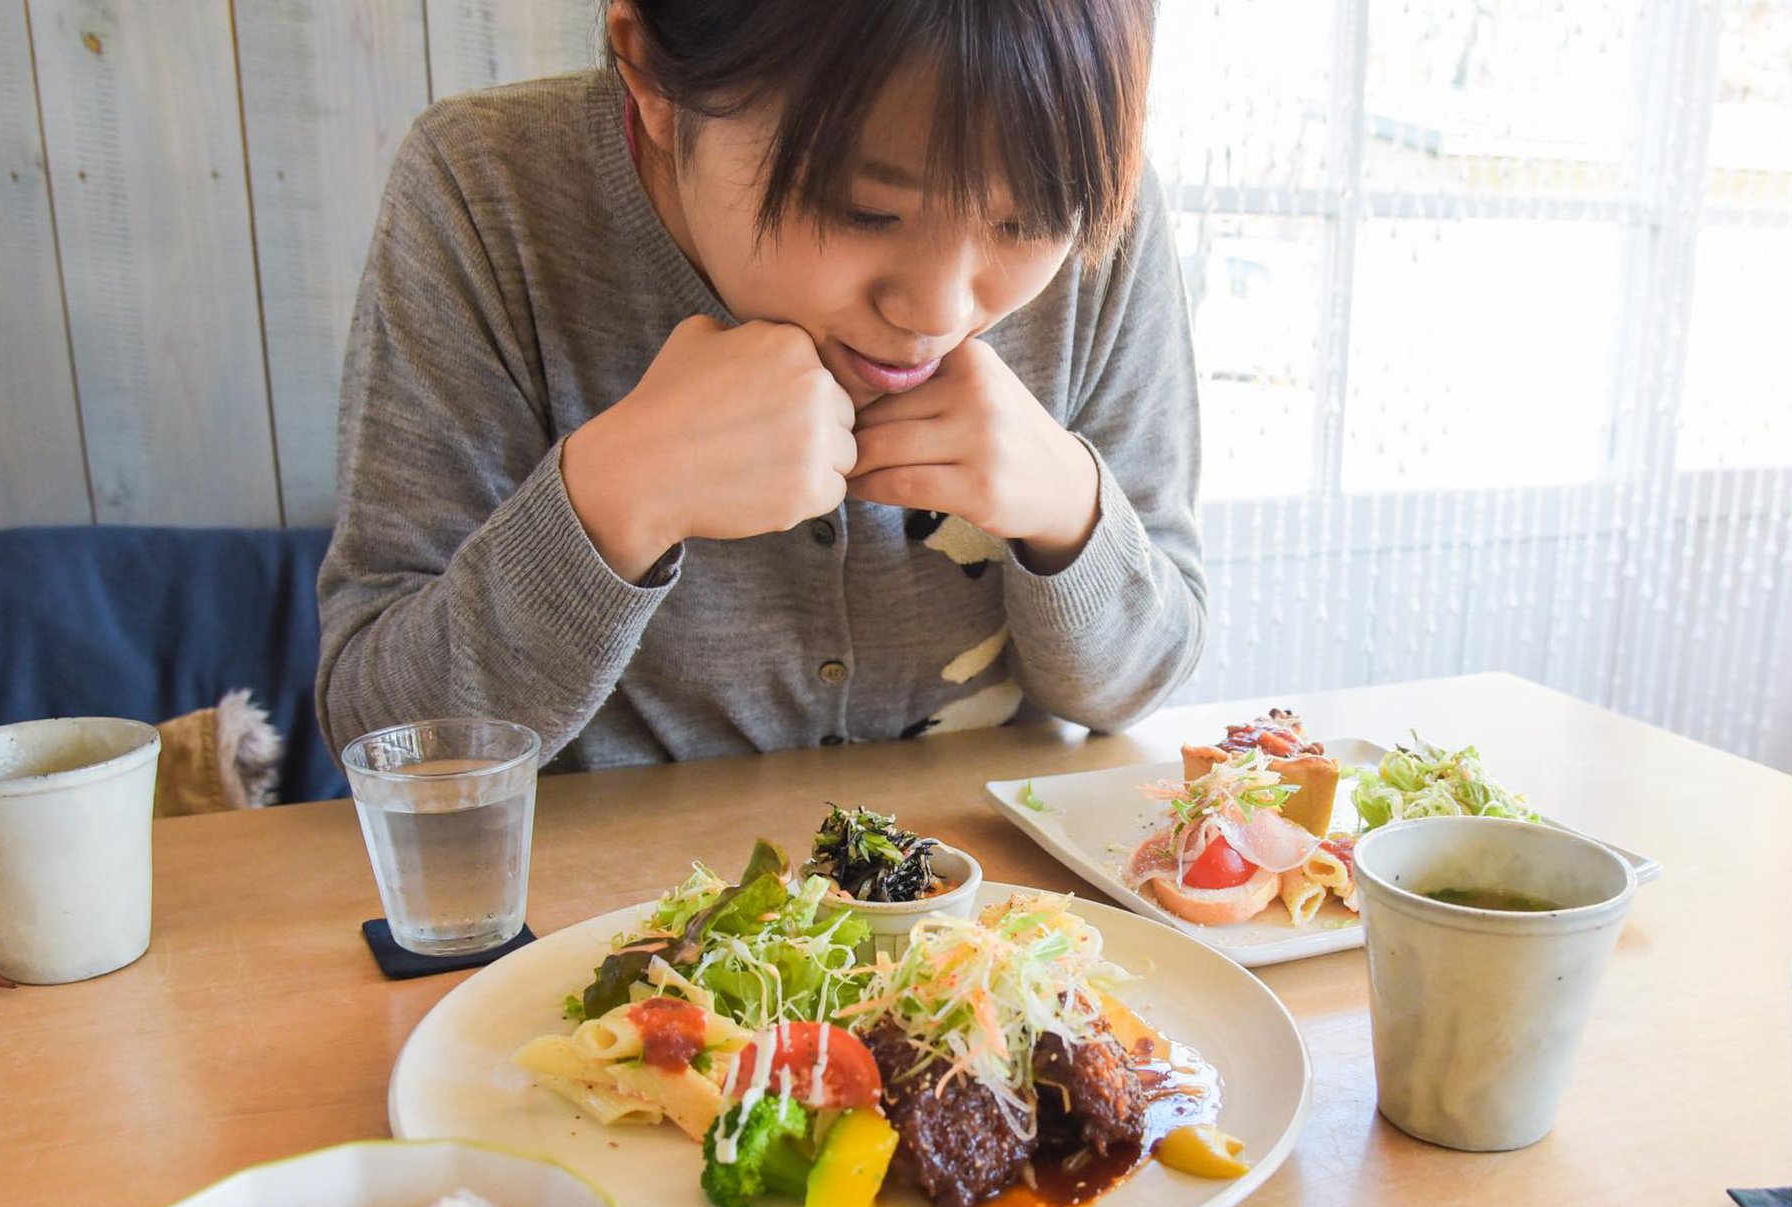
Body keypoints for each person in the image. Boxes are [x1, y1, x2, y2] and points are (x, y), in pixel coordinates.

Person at [316, 0, 1205, 769]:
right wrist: (616, 501)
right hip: (620, 936)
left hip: (997, 938)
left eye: (1028, 222)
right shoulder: (487, 191)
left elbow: (1140, 684)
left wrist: (1070, 514)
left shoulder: (1099, 194)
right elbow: (385, 734)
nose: (935, 311)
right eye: (865, 210)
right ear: (652, 77)